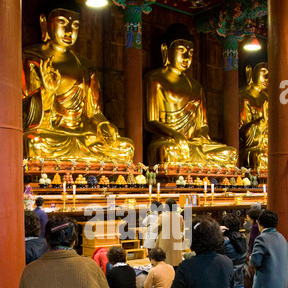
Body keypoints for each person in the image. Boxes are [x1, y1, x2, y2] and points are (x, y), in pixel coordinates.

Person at [22, 0, 134, 163]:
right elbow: (26, 117)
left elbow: (94, 112)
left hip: (82, 136)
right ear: (44, 22)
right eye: (62, 22)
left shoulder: (86, 66)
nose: (69, 31)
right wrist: (47, 92)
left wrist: (103, 125)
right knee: (34, 142)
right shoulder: (31, 59)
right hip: (52, 134)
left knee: (126, 147)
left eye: (75, 25)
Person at [144, 23, 238, 167]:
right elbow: (151, 122)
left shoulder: (195, 86)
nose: (187, 57)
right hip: (168, 141)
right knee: (168, 151)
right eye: (181, 50)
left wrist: (201, 135)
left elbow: (203, 124)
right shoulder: (155, 78)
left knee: (230, 153)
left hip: (194, 144)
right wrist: (175, 134)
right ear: (165, 50)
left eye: (191, 52)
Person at [250, 210, 288, 288]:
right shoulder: (282, 237)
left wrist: (250, 259)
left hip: (266, 285)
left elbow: (255, 262)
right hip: (281, 283)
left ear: (259, 223)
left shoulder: (261, 239)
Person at [239, 63, 268, 170]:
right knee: (258, 156)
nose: (267, 78)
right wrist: (262, 121)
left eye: (270, 74)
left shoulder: (267, 98)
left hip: (267, 143)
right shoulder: (243, 96)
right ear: (250, 72)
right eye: (264, 72)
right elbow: (243, 133)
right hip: (252, 147)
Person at [152, 198, 184, 270]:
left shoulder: (162, 216)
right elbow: (182, 229)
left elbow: (154, 229)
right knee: (175, 264)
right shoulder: (180, 217)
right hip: (176, 243)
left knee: (165, 263)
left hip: (165, 243)